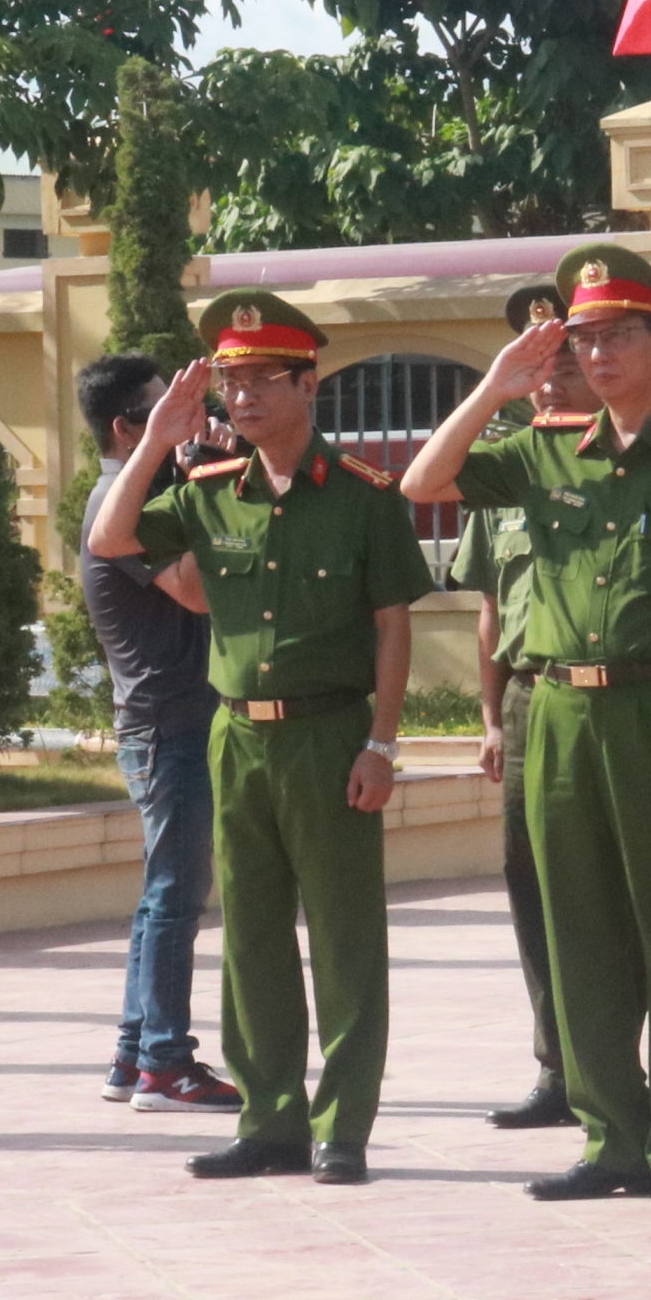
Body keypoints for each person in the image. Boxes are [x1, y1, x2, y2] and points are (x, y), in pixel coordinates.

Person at [408, 246, 651, 1206]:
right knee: (579, 931)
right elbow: (423, 484)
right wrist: (494, 385)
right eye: (585, 338)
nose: (599, 355)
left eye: (618, 337)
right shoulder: (541, 448)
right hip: (557, 710)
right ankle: (612, 1134)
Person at [89, 293, 425, 1183]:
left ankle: (342, 1125)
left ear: (308, 384)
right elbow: (109, 533)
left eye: (260, 380)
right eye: (230, 382)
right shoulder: (205, 495)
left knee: (346, 940)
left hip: (330, 734)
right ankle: (270, 1120)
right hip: (236, 739)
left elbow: (394, 626)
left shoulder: (364, 498)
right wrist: (159, 437)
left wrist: (382, 744)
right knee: (253, 936)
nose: (241, 398)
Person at [72, 349, 236, 1115]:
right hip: (169, 726)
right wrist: (208, 485)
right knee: (175, 897)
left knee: (158, 896)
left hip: (164, 723)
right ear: (125, 426)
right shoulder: (124, 503)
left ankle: (134, 1051)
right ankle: (167, 1063)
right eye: (165, 412)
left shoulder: (139, 492)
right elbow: (197, 593)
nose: (191, 422)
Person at [451, 287, 575, 1130]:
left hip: (615, 699)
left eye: (564, 358)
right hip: (530, 701)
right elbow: (491, 606)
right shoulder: (508, 465)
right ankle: (556, 1065)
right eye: (536, 364)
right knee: (529, 884)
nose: (552, 378)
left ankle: (623, 1065)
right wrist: (492, 719)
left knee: (610, 896)